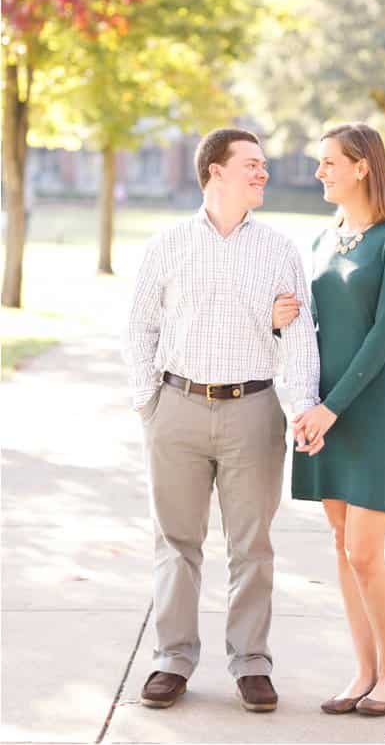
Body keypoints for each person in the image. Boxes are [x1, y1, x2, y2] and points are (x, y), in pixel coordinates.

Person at [122, 128, 320, 713]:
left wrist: (301, 405)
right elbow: (139, 328)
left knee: (252, 546)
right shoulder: (167, 243)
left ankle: (251, 664)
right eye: (251, 165)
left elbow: (299, 336)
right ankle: (172, 659)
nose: (262, 173)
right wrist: (147, 403)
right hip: (177, 407)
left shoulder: (281, 249)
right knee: (176, 542)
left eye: (262, 165)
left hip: (254, 411)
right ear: (215, 172)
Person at [272, 122, 385, 718]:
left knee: (364, 550)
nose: (319, 173)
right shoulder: (321, 241)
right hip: (325, 404)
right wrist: (281, 316)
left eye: (329, 162)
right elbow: (312, 326)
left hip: (376, 405)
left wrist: (333, 409)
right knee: (339, 543)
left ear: (363, 166)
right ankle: (362, 671)